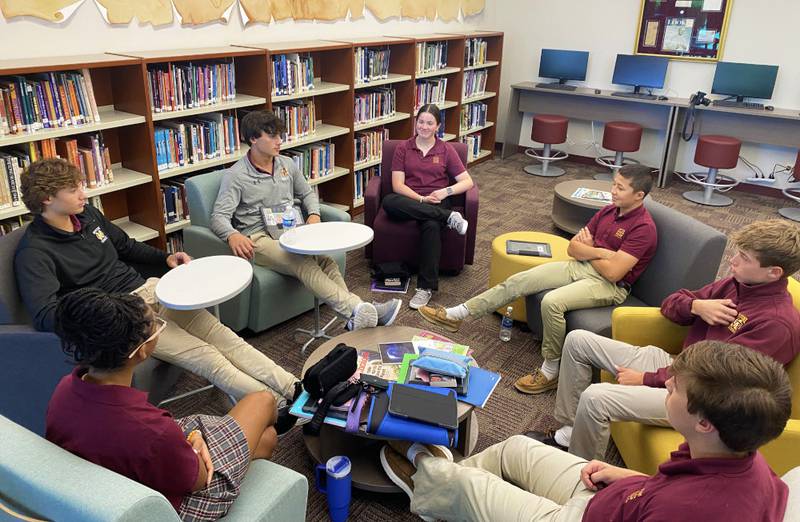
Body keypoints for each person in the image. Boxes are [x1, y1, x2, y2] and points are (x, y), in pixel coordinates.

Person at [15, 158, 300, 429]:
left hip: (153, 290)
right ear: (46, 199)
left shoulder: (86, 215)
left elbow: (125, 246)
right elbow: (45, 314)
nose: (83, 193)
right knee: (207, 357)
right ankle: (277, 407)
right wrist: (108, 311)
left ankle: (294, 387)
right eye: (73, 189)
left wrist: (165, 259)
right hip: (123, 318)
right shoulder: (35, 251)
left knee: (224, 336)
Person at [380, 341, 791, 521]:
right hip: (615, 497)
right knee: (515, 447)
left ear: (704, 422)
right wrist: (628, 478)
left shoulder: (692, 511)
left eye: (676, 388)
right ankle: (448, 499)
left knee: (461, 482)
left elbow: (678, 504)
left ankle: (430, 476)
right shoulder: (746, 464)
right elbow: (670, 490)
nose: (666, 384)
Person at [528, 218, 800, 460]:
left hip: (702, 401)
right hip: (679, 367)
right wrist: (697, 307)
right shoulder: (736, 285)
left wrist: (647, 379)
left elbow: (720, 382)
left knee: (597, 396)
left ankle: (578, 475)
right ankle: (568, 434)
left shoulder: (776, 323)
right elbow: (671, 303)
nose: (733, 261)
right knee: (578, 341)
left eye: (744, 258)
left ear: (773, 272)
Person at [420, 164, 657, 394]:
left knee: (552, 302)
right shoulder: (608, 211)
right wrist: (602, 252)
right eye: (614, 184)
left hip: (611, 286)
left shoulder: (643, 228)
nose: (613, 191)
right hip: (581, 265)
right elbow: (573, 248)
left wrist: (589, 248)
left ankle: (550, 371)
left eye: (620, 188)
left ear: (639, 196)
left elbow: (614, 273)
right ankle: (457, 315)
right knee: (520, 279)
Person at [46, 288, 279, 521]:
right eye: (157, 324)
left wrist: (190, 439)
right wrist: (192, 444)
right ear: (143, 349)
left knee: (266, 438)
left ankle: (238, 461)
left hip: (120, 480)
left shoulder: (65, 389)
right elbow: (198, 481)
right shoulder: (150, 429)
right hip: (176, 503)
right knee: (264, 404)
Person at [211, 109, 401, 330]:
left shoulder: (286, 164)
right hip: (259, 237)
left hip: (291, 230)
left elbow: (307, 194)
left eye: (280, 136)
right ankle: (358, 309)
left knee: (326, 260)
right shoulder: (236, 175)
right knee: (302, 262)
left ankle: (353, 317)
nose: (279, 141)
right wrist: (232, 234)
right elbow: (219, 216)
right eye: (272, 136)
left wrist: (313, 214)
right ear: (253, 139)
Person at [381, 104, 475, 310]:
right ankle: (448, 217)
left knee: (431, 225)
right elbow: (398, 186)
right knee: (389, 201)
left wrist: (445, 192)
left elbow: (467, 182)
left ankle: (425, 288)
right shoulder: (403, 148)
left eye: (429, 123)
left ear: (437, 126)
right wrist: (421, 199)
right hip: (410, 199)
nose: (424, 126)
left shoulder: (446, 149)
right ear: (416, 123)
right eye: (421, 122)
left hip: (437, 199)